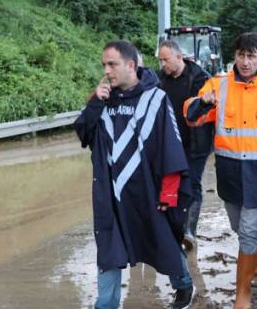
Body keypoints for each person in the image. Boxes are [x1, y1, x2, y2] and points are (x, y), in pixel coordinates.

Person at [74, 40, 194, 309]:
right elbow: (84, 133)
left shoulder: (156, 99)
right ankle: (106, 305)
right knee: (109, 250)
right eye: (104, 65)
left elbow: (171, 148)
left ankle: (184, 285)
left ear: (131, 65)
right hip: (110, 194)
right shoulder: (103, 100)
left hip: (147, 192)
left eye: (112, 64)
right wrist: (95, 103)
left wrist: (169, 191)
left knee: (161, 239)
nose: (107, 70)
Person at [183, 32, 257, 309]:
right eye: (241, 54)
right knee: (238, 226)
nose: (245, 61)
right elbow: (190, 116)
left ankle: (243, 294)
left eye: (251, 55)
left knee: (248, 229)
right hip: (229, 170)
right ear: (235, 56)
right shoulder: (218, 85)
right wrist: (202, 103)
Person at [158, 40, 214, 250]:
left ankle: (189, 230)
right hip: (171, 142)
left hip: (196, 143)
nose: (163, 64)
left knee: (192, 184)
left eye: (166, 59)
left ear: (179, 57)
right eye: (161, 60)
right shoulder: (160, 79)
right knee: (170, 184)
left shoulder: (200, 78)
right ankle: (172, 226)